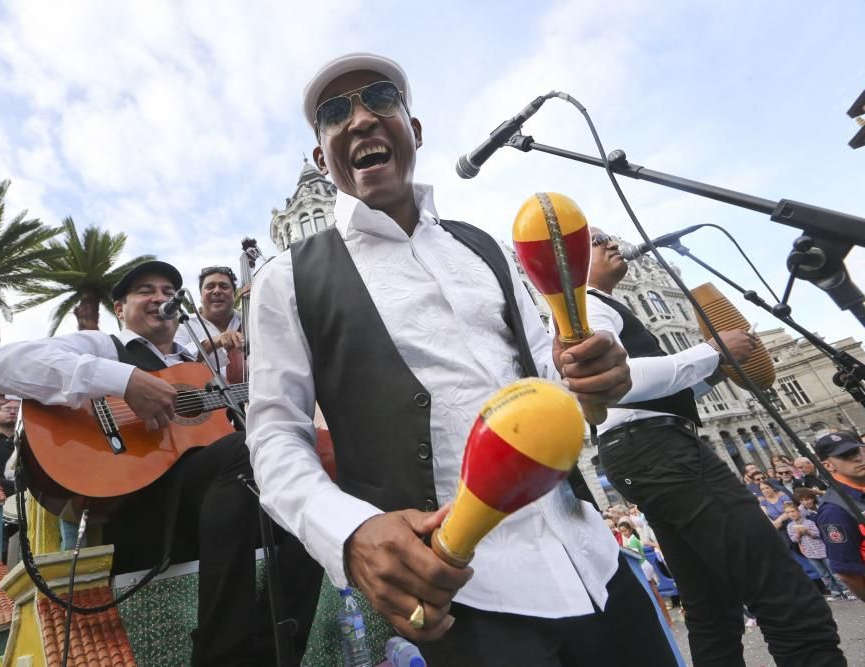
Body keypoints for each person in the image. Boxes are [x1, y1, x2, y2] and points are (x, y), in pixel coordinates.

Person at [247, 53, 678, 666]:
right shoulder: (285, 278)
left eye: (380, 100)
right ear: (323, 157)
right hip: (462, 598)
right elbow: (274, 439)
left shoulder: (486, 248)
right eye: (336, 113)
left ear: (413, 129)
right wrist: (348, 533)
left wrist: (593, 374)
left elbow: (550, 379)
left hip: (594, 564)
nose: (361, 119)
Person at [0, 260, 316, 666]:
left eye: (169, 292)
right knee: (247, 448)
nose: (160, 298)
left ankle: (281, 651)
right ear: (120, 309)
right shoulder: (103, 347)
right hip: (136, 502)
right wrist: (125, 382)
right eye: (145, 290)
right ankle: (222, 655)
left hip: (219, 508)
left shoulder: (202, 367)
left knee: (312, 501)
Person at [586, 229, 845, 666]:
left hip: (644, 448)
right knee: (782, 588)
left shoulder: (603, 305)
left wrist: (716, 373)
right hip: (655, 448)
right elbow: (617, 381)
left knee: (712, 605)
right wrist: (710, 350)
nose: (611, 242)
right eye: (595, 240)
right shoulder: (588, 304)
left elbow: (646, 391)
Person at [814, 431, 865, 601]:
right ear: (828, 465)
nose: (857, 458)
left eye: (857, 451)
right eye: (845, 456)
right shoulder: (834, 511)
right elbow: (847, 572)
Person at [173, 265, 245, 376]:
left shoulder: (250, 320)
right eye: (210, 287)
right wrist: (214, 342)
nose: (216, 291)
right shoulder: (184, 324)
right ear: (201, 296)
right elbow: (174, 362)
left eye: (224, 286)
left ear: (234, 294)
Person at [784, 502, 851, 600]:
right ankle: (834, 592)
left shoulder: (809, 522)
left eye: (793, 511)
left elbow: (819, 534)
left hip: (822, 550)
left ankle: (846, 590)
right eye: (788, 512)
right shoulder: (790, 526)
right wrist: (798, 534)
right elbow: (793, 539)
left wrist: (808, 532)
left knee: (834, 572)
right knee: (824, 574)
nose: (791, 514)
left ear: (798, 511)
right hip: (809, 553)